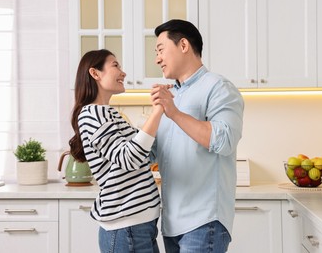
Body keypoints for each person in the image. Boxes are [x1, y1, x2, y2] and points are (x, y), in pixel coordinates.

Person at [150, 19, 244, 252]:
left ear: (183, 45)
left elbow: (225, 140)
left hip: (204, 221)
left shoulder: (218, 87)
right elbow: (152, 155)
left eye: (161, 50)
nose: (157, 59)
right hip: (171, 223)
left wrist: (173, 112)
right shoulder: (172, 96)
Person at [69, 49, 163, 253]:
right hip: (126, 227)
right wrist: (158, 111)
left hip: (138, 225)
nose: (123, 72)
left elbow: (146, 156)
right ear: (95, 73)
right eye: (115, 66)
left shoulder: (110, 114)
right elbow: (128, 158)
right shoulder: (92, 114)